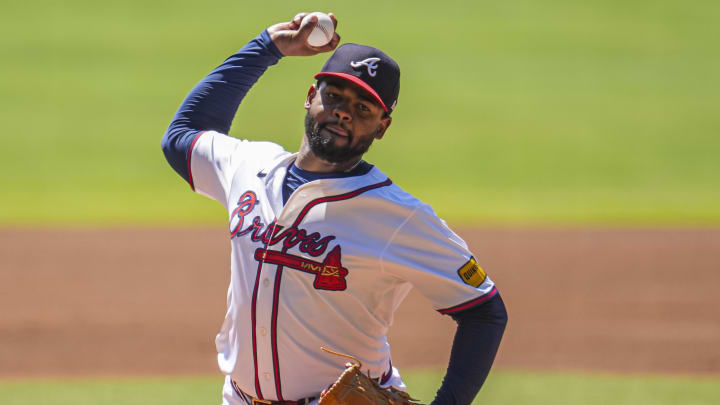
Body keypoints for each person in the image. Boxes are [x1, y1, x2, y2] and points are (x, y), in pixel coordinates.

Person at [162, 12, 507, 405]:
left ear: (382, 127)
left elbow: (484, 310)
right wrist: (267, 47)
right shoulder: (248, 165)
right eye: (335, 96)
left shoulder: (399, 217)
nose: (344, 112)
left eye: (364, 109)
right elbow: (181, 137)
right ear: (311, 96)